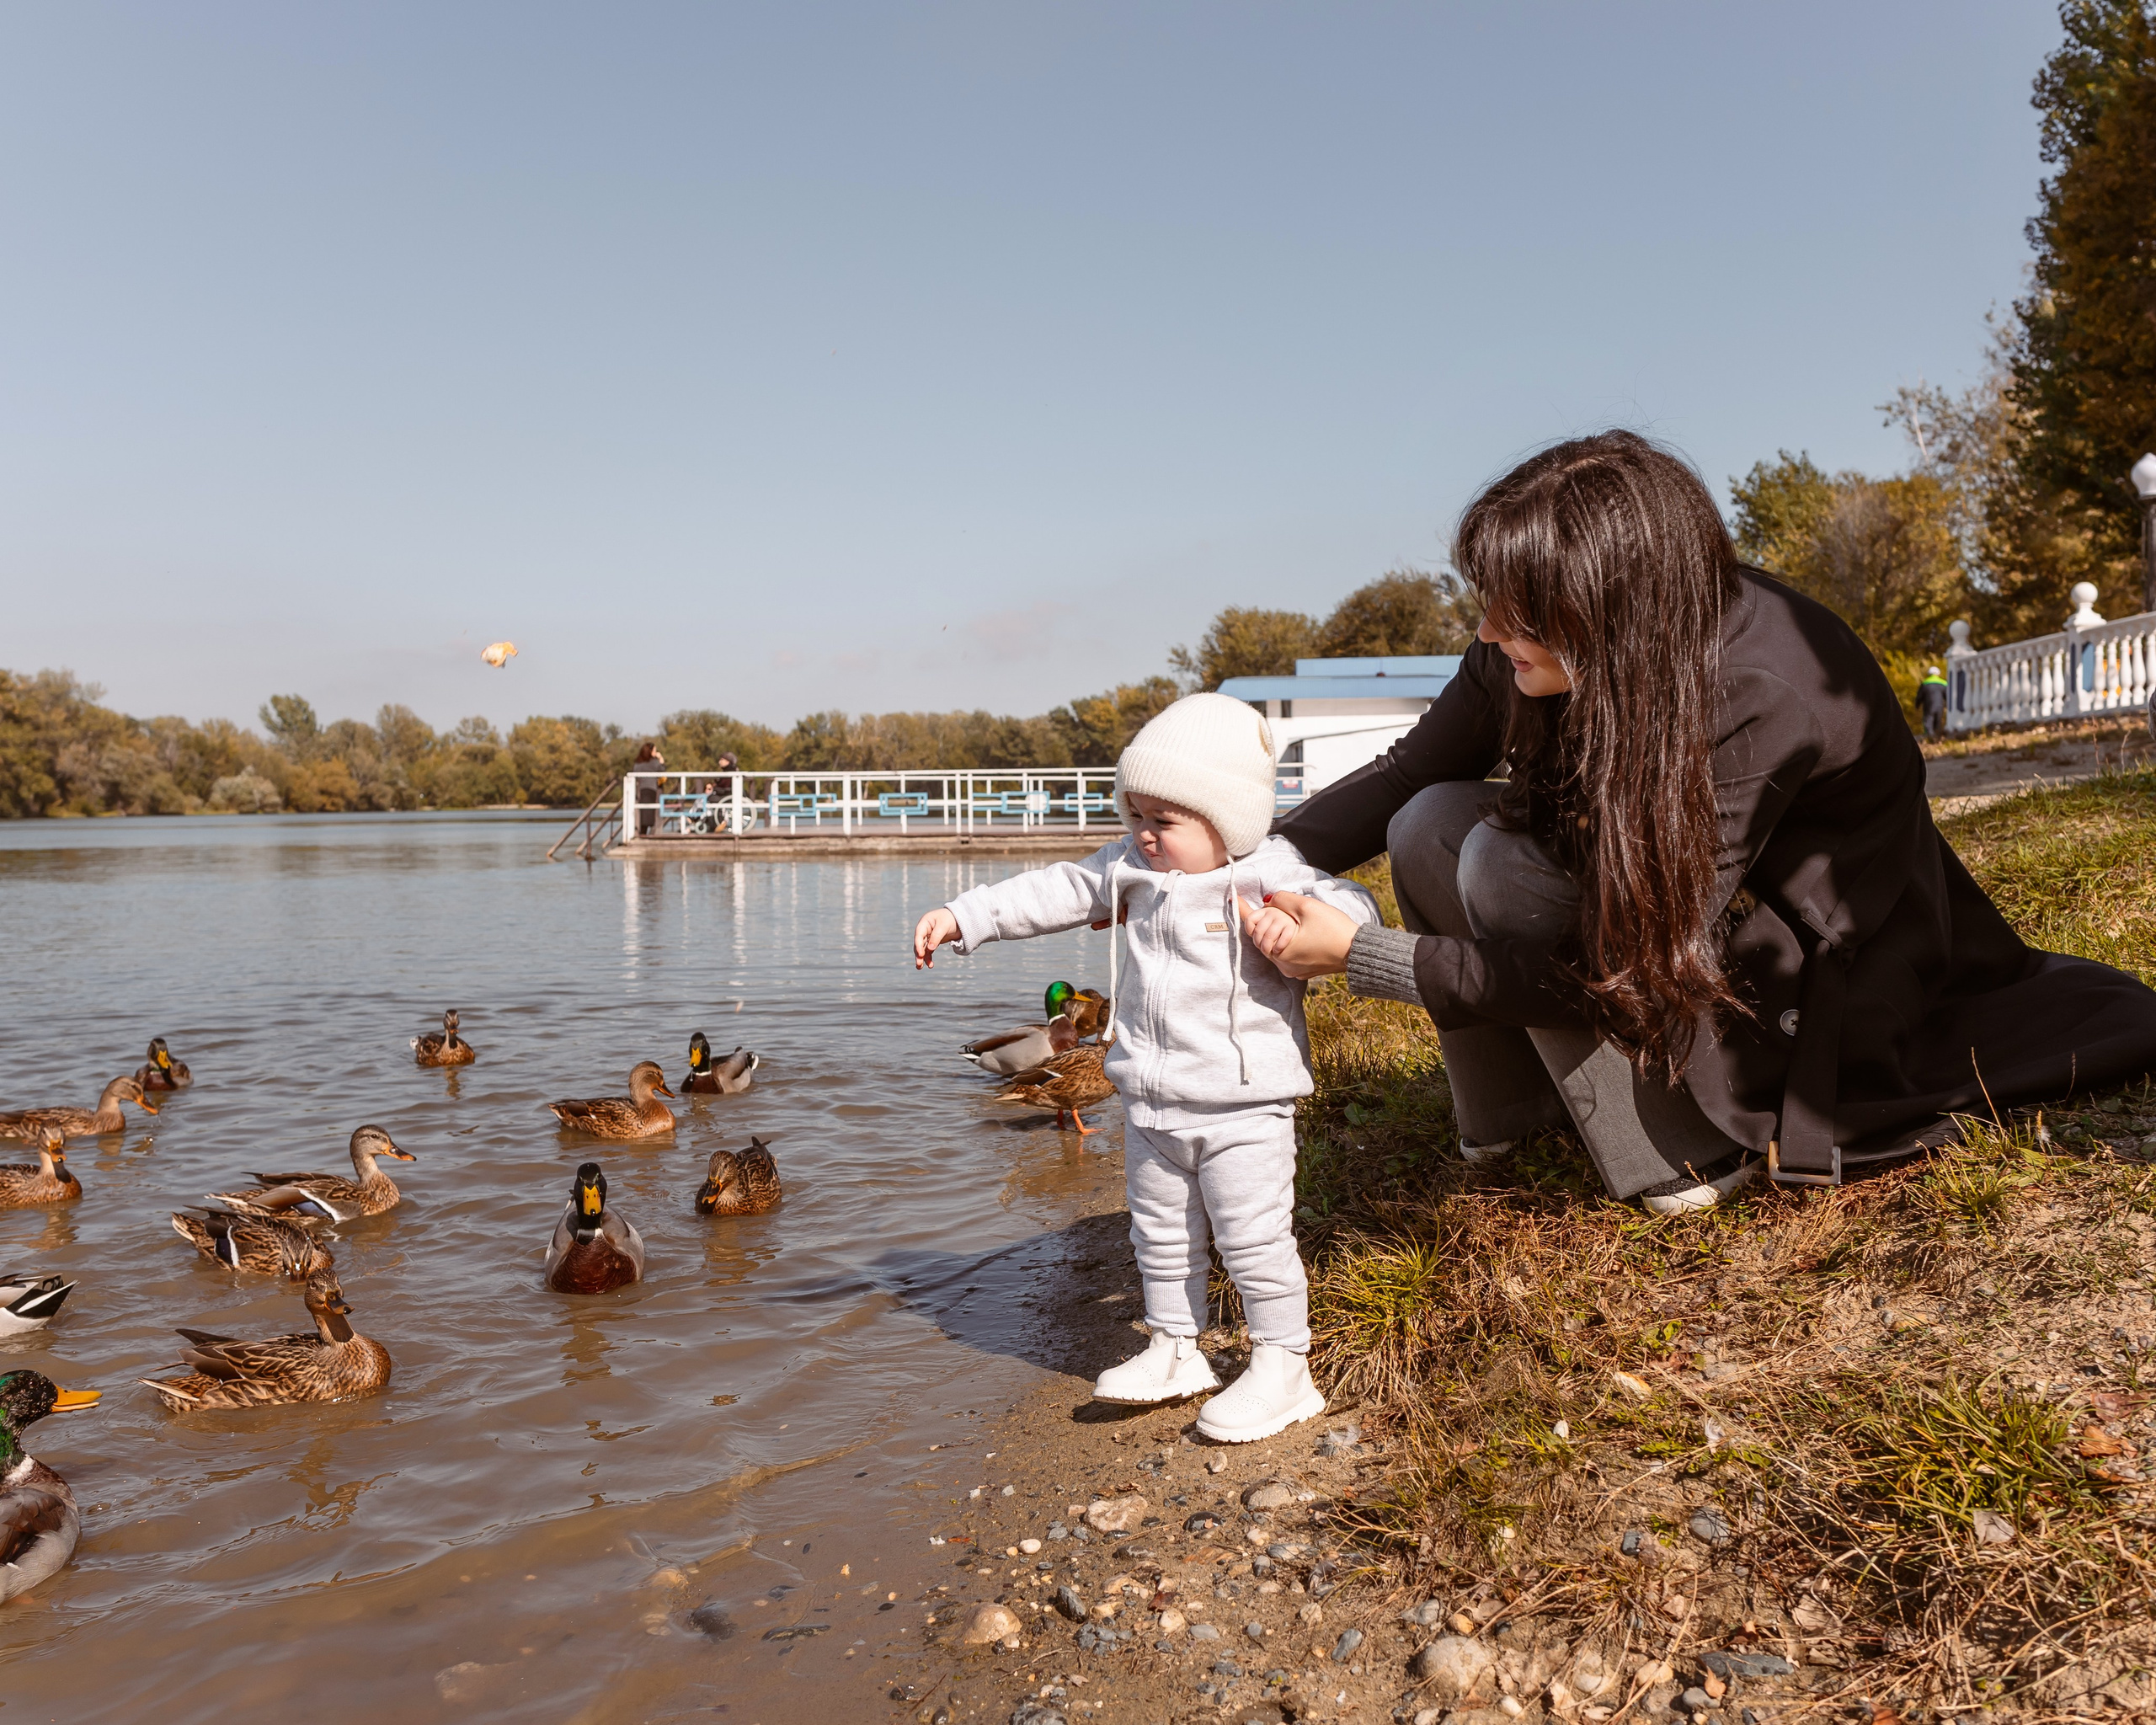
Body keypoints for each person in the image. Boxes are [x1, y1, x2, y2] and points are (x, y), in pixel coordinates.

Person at [1248, 431, 2156, 1210]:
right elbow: (1414, 767)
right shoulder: (1537, 641)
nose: (1486, 629)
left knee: (1493, 858)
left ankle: (1677, 1152)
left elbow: (1623, 967)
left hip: (1791, 966)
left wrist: (1364, 956)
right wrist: (1245, 858)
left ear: (1608, 601)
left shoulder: (1754, 687)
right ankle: (1515, 1123)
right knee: (1426, 819)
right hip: (1661, 913)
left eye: (1512, 606)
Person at [912, 692, 1380, 1443]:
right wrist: (967, 918)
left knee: (1254, 1238)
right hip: (1150, 1098)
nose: (1145, 836)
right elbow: (1054, 889)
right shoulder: (1129, 868)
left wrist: (1309, 923)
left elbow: (1352, 910)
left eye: (1166, 822)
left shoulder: (1270, 875)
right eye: (1136, 816)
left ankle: (1284, 1367)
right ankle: (1174, 1347)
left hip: (1242, 1105)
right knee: (1159, 1235)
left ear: (1228, 822)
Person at [630, 742, 664, 836]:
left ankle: (642, 833)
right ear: (650, 752)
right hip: (652, 789)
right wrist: (661, 759)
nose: (656, 752)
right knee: (652, 813)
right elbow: (662, 771)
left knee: (642, 813)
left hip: (640, 791)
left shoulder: (638, 763)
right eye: (654, 751)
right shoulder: (654, 762)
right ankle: (652, 833)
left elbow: (635, 774)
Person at [1919, 665, 1950, 740]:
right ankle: (1937, 737)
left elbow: (1919, 696)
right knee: (1938, 721)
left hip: (1928, 706)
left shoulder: (1925, 683)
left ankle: (1929, 737)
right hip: (1940, 705)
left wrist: (1917, 704)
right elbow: (1948, 696)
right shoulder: (1944, 683)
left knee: (1928, 721)